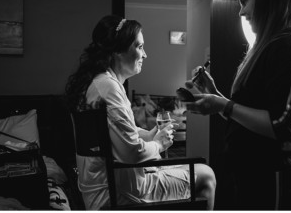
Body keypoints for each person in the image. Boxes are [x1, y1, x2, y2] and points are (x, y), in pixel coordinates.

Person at [184, 0, 291, 209]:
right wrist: (216, 96)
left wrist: (224, 104)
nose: (241, 12)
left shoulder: (289, 46)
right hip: (255, 177)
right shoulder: (269, 46)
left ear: (268, 0)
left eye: (245, 1)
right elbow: (250, 119)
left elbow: (282, 125)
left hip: (278, 181)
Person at [64, 15, 216, 209]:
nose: (145, 55)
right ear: (118, 50)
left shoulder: (99, 83)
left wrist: (151, 134)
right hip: (118, 194)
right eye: (140, 47)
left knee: (186, 169)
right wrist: (159, 144)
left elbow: (118, 136)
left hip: (102, 188)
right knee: (206, 174)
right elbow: (132, 154)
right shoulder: (108, 87)